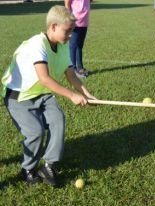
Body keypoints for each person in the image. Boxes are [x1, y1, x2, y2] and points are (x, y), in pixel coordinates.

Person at [1, 6, 96, 187]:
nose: (70, 36)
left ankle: (49, 166)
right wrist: (72, 96)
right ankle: (27, 169)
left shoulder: (62, 45)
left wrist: (86, 93)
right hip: (19, 96)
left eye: (71, 31)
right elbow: (44, 79)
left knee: (57, 119)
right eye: (67, 31)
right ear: (53, 27)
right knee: (35, 132)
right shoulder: (37, 44)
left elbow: (70, 73)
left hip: (42, 94)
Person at [64, 0, 91, 78]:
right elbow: (67, 3)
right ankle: (73, 70)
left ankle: (80, 68)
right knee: (73, 46)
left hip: (84, 21)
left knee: (79, 45)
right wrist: (70, 18)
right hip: (75, 22)